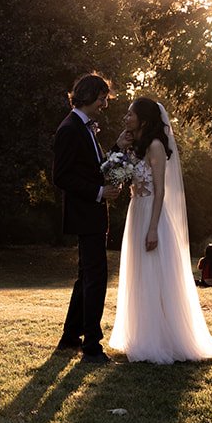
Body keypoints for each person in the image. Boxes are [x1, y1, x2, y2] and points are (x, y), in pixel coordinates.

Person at [108, 98, 212, 363]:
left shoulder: (156, 146)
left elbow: (160, 191)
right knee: (139, 274)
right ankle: (140, 334)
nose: (126, 118)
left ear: (143, 119)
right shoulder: (135, 146)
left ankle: (161, 339)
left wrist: (153, 229)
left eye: (130, 114)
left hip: (151, 214)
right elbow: (117, 176)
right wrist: (119, 148)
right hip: (136, 212)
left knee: (154, 276)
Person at [52, 73, 123, 361]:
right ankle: (91, 346)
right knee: (96, 278)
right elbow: (62, 177)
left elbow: (98, 167)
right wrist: (98, 192)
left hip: (92, 215)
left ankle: (70, 338)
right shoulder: (70, 129)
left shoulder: (85, 128)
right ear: (90, 96)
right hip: (85, 214)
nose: (105, 104)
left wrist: (117, 147)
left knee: (86, 278)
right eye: (103, 98)